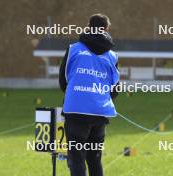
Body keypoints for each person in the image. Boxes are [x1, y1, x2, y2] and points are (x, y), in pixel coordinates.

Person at [59, 13, 119, 176]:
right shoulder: (112, 56)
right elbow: (115, 88)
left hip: (76, 112)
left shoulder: (73, 49)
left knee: (76, 159)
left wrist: (78, 95)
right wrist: (99, 98)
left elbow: (63, 80)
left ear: (88, 26)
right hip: (100, 112)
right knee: (94, 159)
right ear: (106, 29)